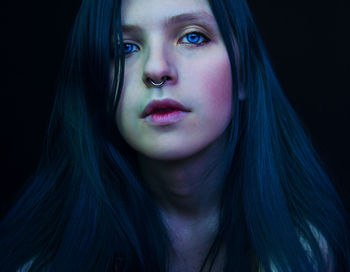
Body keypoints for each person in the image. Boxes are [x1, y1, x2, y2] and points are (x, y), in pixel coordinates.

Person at [1, 0, 349, 271]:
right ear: (98, 88)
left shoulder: (303, 250)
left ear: (243, 76)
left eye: (192, 36)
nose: (156, 69)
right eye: (124, 48)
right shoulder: (45, 261)